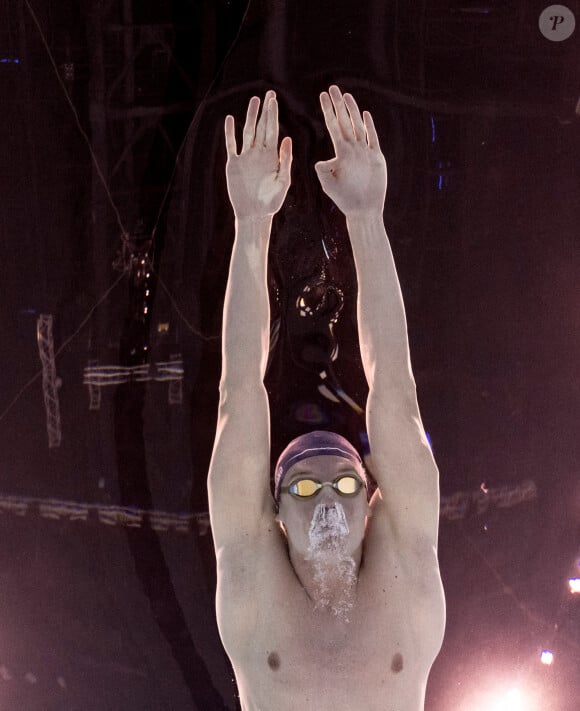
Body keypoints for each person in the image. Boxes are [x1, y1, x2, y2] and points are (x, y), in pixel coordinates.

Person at [208, 85, 445, 711]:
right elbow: (239, 394)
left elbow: (397, 397)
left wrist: (367, 219)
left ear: (374, 502)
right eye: (307, 490)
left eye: (341, 485)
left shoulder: (408, 566)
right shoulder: (251, 582)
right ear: (274, 514)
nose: (328, 504)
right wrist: (251, 223)